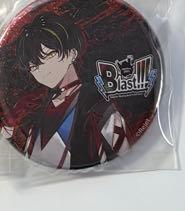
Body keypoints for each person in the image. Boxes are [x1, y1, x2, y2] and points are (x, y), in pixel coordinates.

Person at [11, 11, 127, 170]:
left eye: (49, 55)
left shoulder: (96, 105)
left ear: (72, 53)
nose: (42, 69)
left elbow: (122, 152)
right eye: (33, 66)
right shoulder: (39, 113)